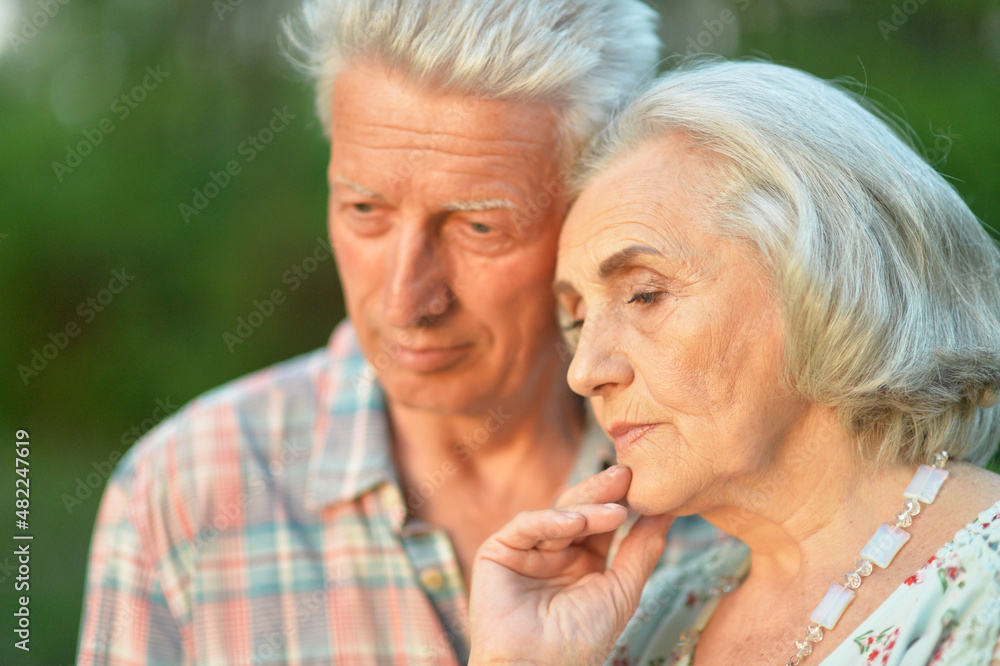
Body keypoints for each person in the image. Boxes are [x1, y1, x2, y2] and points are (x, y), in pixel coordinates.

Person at [77, 2, 727, 664]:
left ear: (595, 215)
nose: (405, 300)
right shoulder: (177, 495)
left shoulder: (730, 499)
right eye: (365, 209)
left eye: (479, 227)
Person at [468, 59, 1000, 665]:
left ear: (824, 277)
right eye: (575, 319)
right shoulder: (636, 624)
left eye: (644, 294)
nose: (584, 371)